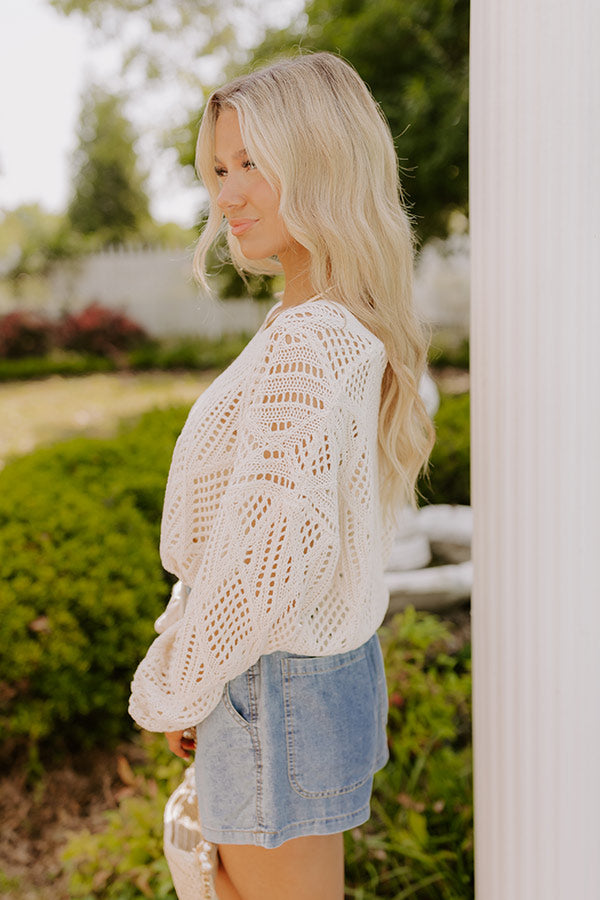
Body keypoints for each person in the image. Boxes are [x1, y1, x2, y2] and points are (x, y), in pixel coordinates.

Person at [129, 51, 435, 900]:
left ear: (320, 165)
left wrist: (178, 681)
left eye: (251, 165)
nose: (226, 195)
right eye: (219, 170)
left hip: (269, 682)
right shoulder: (316, 323)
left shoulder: (310, 340)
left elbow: (266, 558)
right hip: (293, 681)